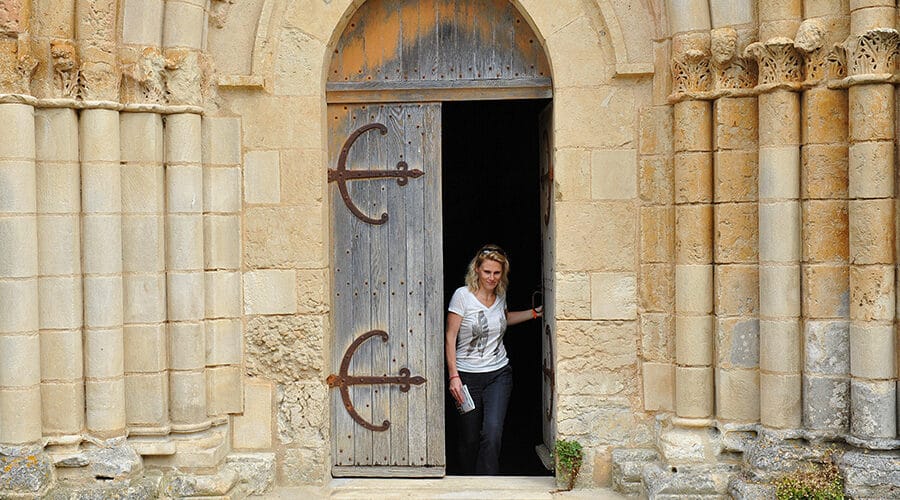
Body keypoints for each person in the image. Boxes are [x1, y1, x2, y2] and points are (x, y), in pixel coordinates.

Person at [445, 244, 542, 475]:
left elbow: (503, 318)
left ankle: (488, 485)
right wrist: (454, 376)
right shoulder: (462, 296)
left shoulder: (500, 294)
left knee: (493, 432)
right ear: (477, 269)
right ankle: (468, 480)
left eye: (497, 273)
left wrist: (536, 313)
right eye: (487, 272)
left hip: (498, 374)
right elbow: (450, 336)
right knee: (469, 438)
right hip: (466, 377)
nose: (492, 278)